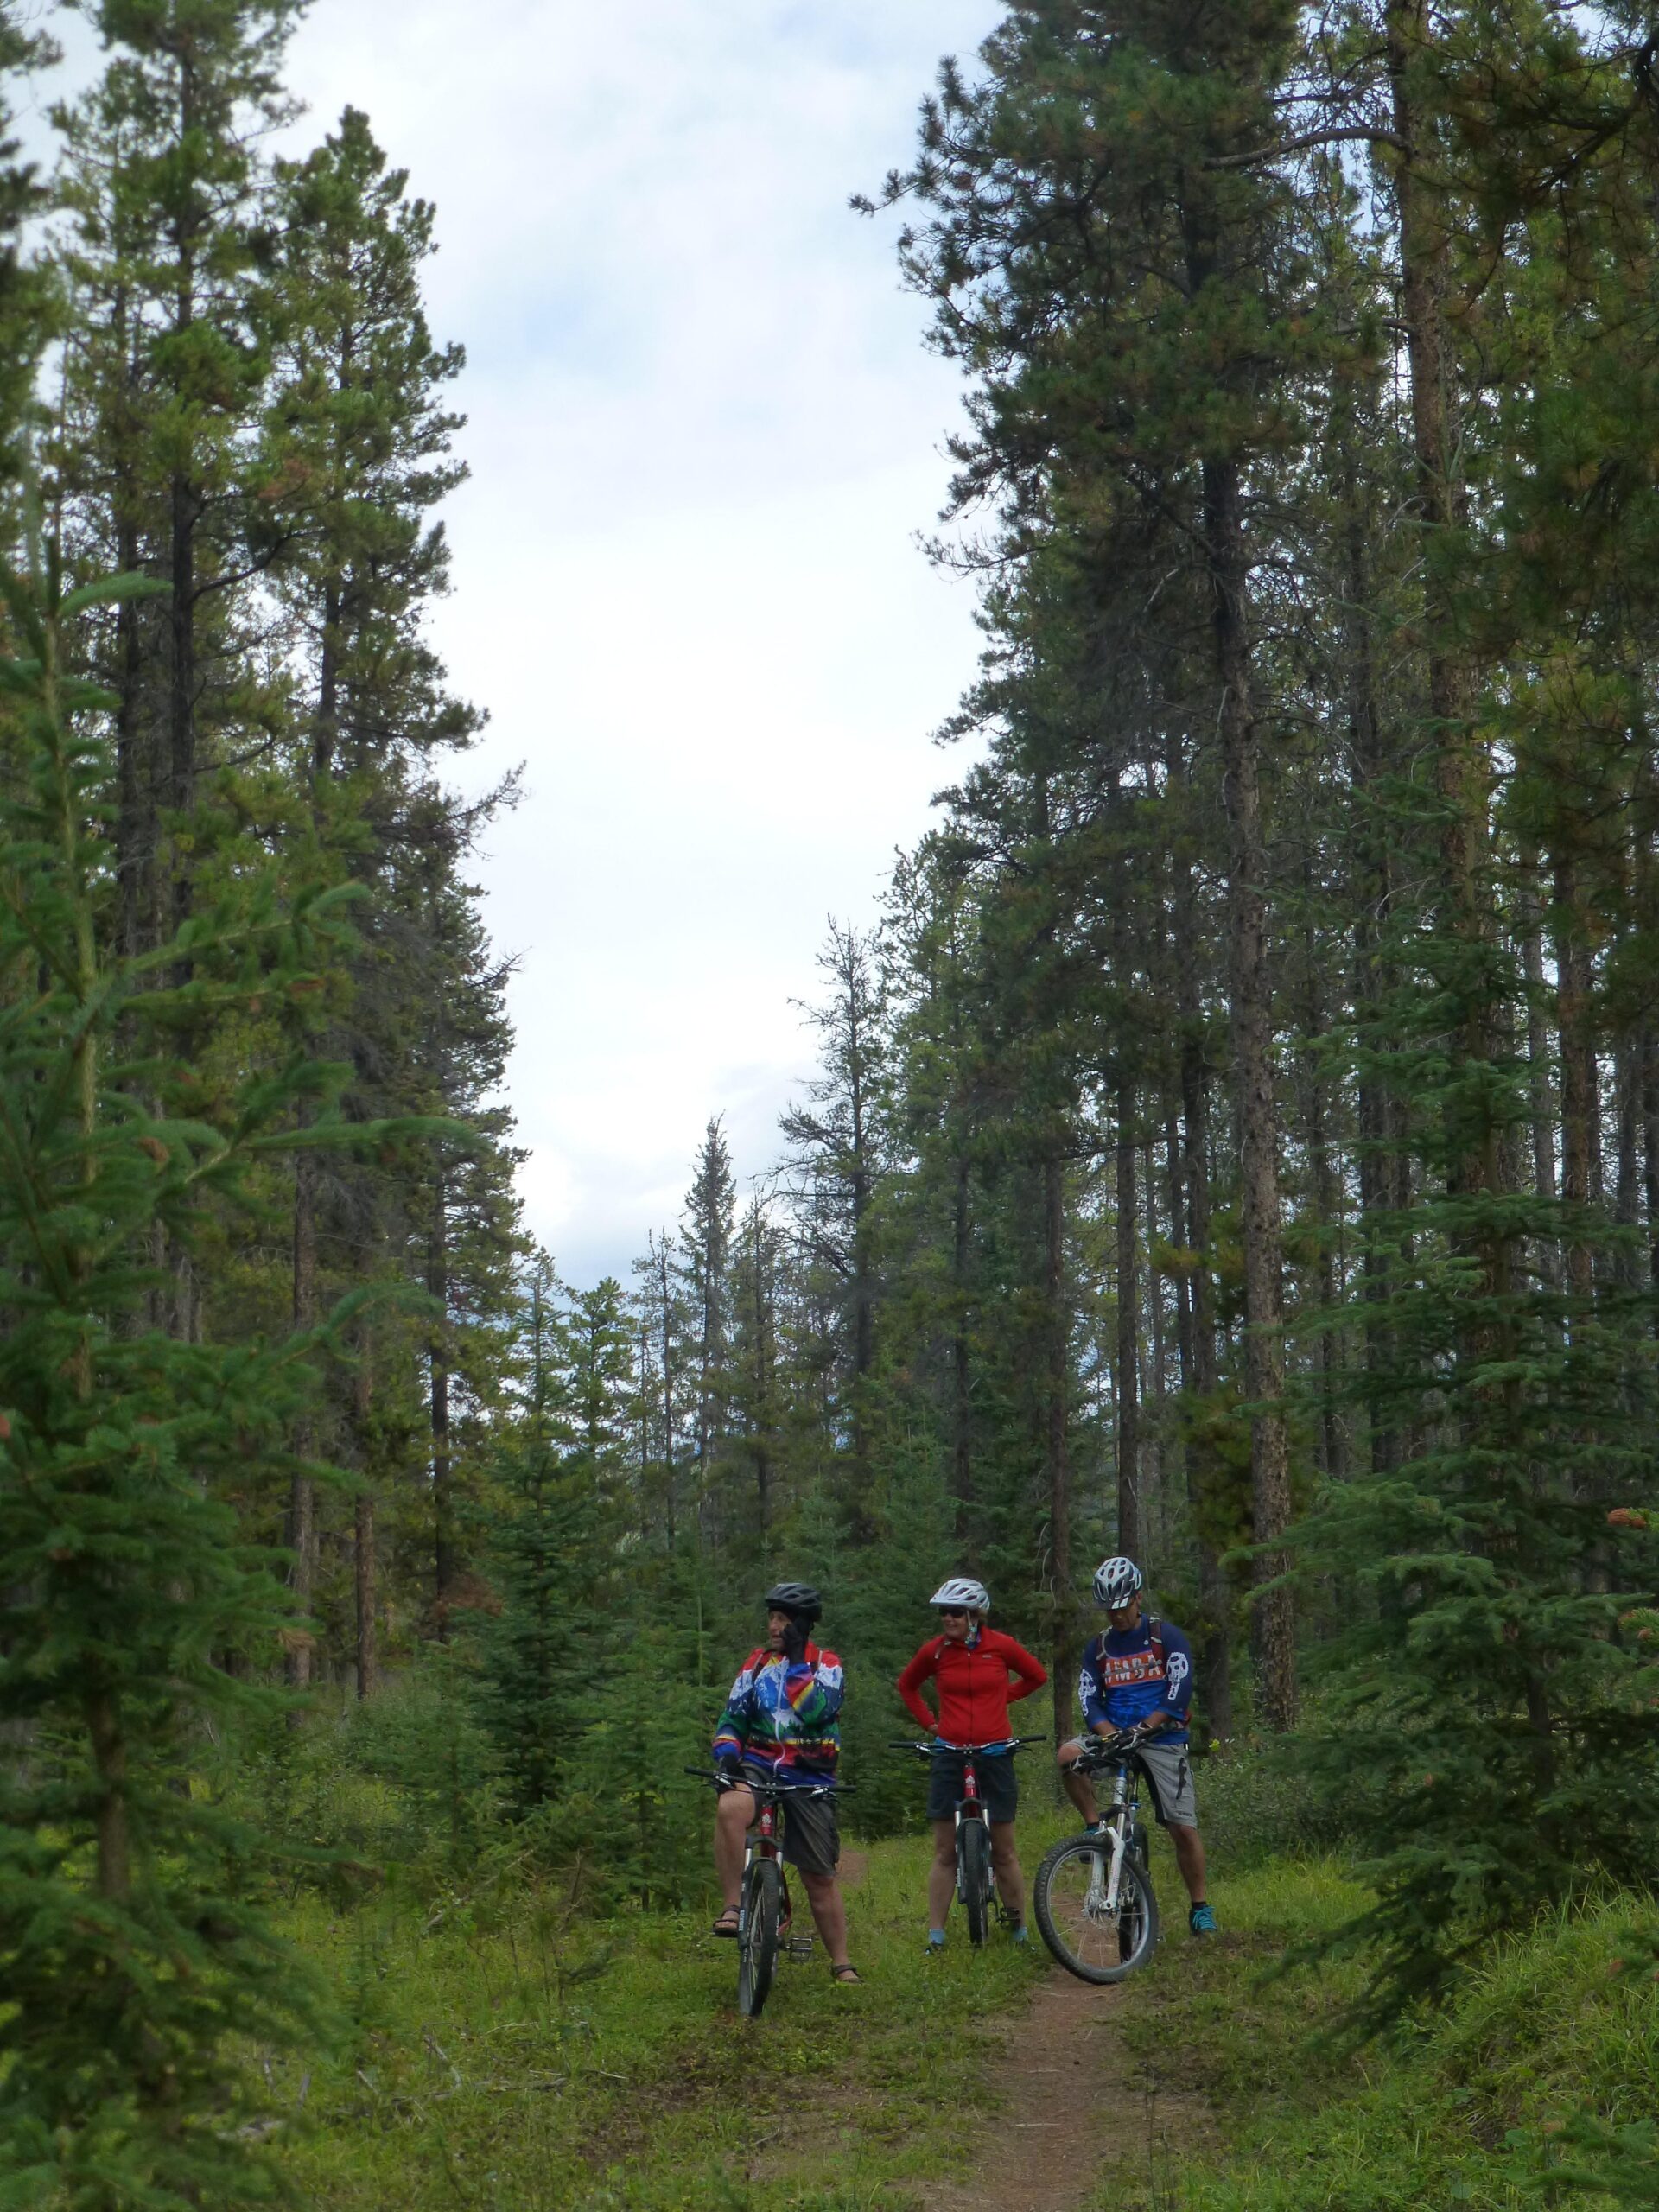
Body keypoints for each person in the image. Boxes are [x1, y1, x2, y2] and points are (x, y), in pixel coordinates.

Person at [1056, 1555, 1217, 1936]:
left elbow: (1180, 1689)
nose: (1116, 1615)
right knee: (1068, 1756)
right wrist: (1110, 1732)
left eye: (1122, 1605)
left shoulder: (1166, 1637)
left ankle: (1200, 1907)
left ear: (1138, 1597)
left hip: (1161, 1738)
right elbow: (1089, 1698)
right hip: (1115, 1734)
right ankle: (1095, 1829)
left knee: (1182, 1827)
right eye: (1108, 1608)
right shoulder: (1097, 1648)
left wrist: (1146, 1727)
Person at [710, 1580, 861, 1985]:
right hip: (758, 1764)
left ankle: (842, 1963)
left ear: (804, 1626)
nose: (775, 1627)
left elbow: (815, 1711)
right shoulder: (756, 1664)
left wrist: (796, 1662)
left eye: (784, 1620)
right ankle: (733, 1908)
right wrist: (726, 1753)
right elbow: (731, 1718)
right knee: (729, 1807)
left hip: (810, 1773)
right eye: (772, 1618)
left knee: (819, 1878)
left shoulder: (826, 1665)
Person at [897, 1575, 1048, 1951]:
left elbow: (1036, 1676)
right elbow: (907, 1685)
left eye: (955, 1613)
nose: (947, 1619)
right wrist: (929, 1723)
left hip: (995, 1753)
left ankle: (1019, 1932)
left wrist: (1003, 1698)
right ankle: (936, 1935)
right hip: (949, 1752)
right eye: (943, 1613)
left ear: (975, 1615)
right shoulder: (934, 1652)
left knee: (1005, 1850)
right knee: (945, 1851)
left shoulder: (1001, 1647)